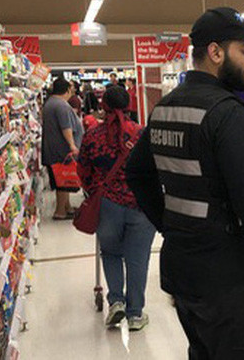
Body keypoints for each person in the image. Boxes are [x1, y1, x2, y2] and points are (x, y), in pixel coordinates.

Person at [126, 7, 244, 359]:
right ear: (215, 52)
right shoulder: (229, 115)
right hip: (231, 282)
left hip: (185, 273)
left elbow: (137, 172)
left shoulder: (166, 108)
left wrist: (172, 225)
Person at [77, 86, 155, 331]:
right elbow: (154, 168)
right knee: (137, 259)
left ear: (103, 106)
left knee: (110, 253)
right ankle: (135, 314)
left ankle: (116, 302)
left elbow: (83, 170)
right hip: (140, 205)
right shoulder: (142, 133)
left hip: (107, 205)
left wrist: (94, 191)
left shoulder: (92, 135)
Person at [41, 77, 80, 220]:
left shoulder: (50, 103)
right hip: (61, 150)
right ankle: (60, 211)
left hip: (54, 148)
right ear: (67, 90)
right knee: (62, 182)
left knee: (64, 179)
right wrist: (72, 145)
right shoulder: (61, 105)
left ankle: (67, 207)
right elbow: (66, 127)